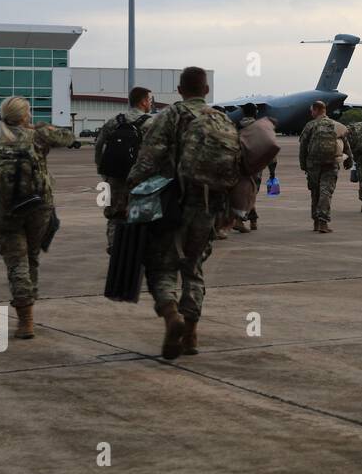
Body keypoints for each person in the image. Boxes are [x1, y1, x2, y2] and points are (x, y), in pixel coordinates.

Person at [127, 66, 235, 360]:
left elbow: (148, 159)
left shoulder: (170, 116)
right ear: (207, 91)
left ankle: (172, 315)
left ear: (179, 90)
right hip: (209, 206)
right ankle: (191, 334)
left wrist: (131, 189)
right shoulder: (221, 118)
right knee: (194, 268)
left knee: (162, 266)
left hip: (171, 203)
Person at [0, 96, 76, 339]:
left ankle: (25, 319)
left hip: (6, 210)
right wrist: (41, 128)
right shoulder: (37, 135)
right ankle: (29, 305)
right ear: (25, 115)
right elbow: (69, 138)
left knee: (16, 261)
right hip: (39, 206)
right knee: (31, 255)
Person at [94, 86, 153, 253]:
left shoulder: (114, 121)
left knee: (114, 214)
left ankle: (114, 245)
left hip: (114, 177)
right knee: (140, 214)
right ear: (143, 101)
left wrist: (103, 171)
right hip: (140, 179)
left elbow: (99, 146)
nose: (150, 103)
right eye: (149, 100)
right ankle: (137, 248)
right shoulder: (150, 123)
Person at [298, 100, 350, 233]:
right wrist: (348, 160)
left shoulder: (310, 125)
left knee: (315, 193)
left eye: (312, 111)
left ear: (316, 110)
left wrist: (304, 165)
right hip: (331, 163)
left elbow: (303, 147)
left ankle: (316, 222)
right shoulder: (336, 125)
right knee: (326, 192)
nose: (311, 113)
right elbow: (345, 144)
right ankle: (323, 222)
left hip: (313, 165)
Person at [233, 103, 276, 233]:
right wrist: (272, 170)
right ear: (256, 112)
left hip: (239, 166)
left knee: (243, 192)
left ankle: (252, 219)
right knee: (251, 193)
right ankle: (242, 220)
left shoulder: (235, 127)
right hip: (256, 166)